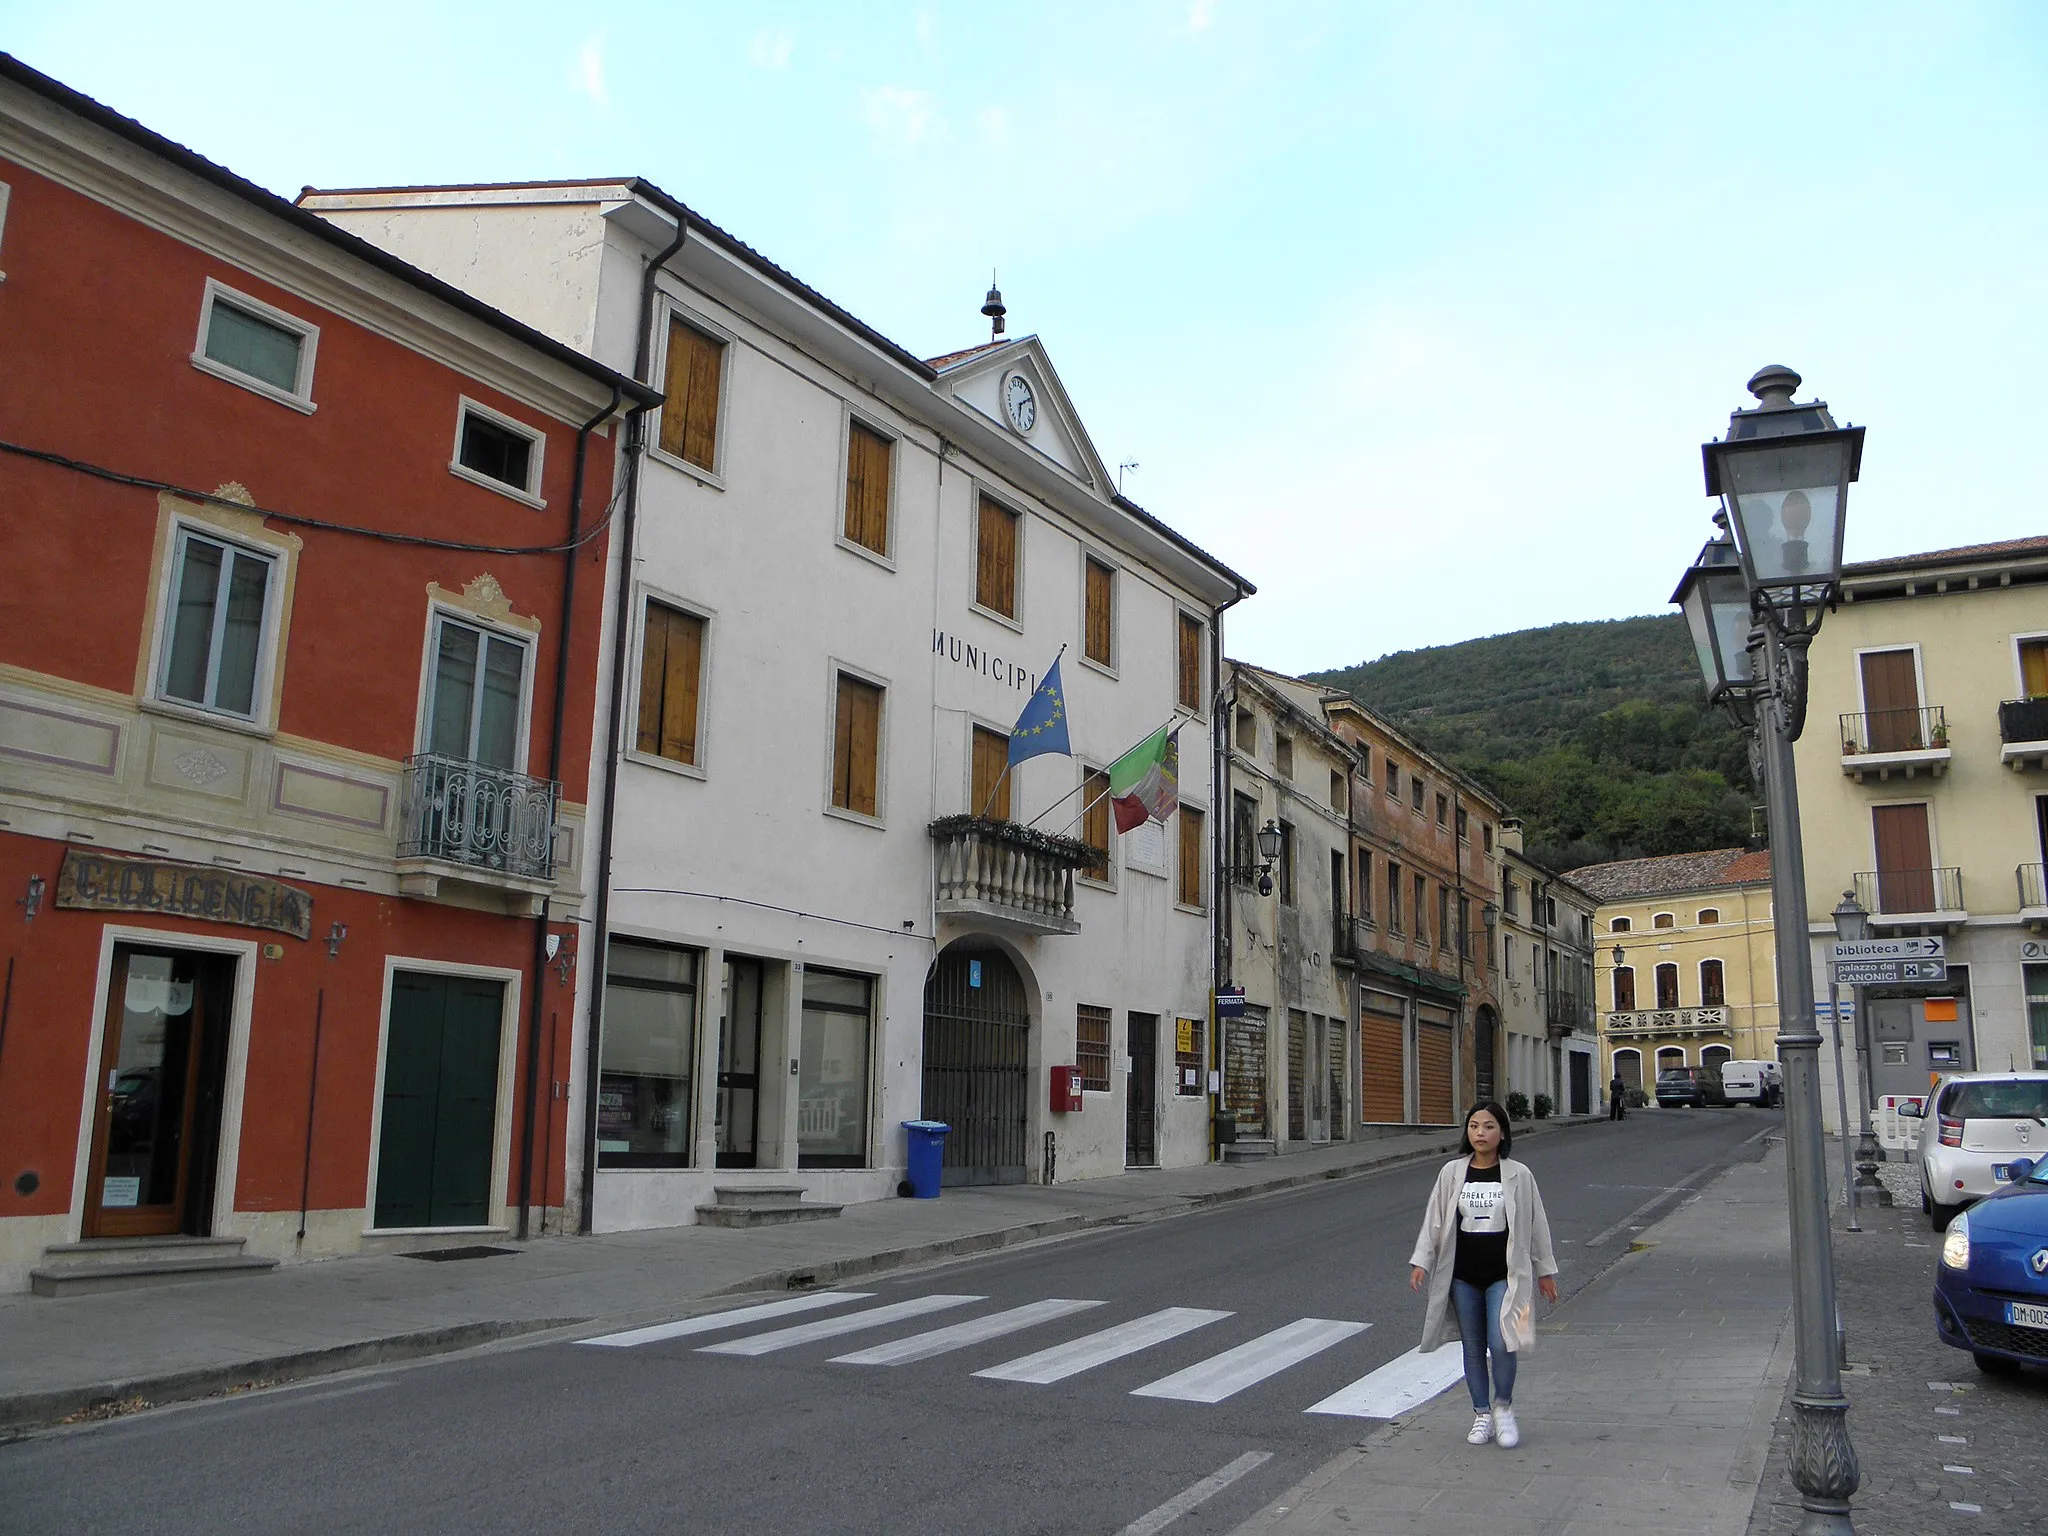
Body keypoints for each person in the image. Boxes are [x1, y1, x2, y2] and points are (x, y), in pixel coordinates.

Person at [1408, 1100, 1560, 1448]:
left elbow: (1538, 1225)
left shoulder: (1519, 1174)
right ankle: (1482, 1415)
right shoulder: (1451, 1172)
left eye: (1489, 1126)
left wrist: (1545, 1271)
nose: (1480, 1132)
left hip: (1508, 1277)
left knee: (1505, 1340)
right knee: (1473, 1346)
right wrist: (1422, 1262)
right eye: (1474, 1125)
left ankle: (1503, 1407)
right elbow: (1435, 1220)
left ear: (1502, 1133)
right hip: (1463, 1276)